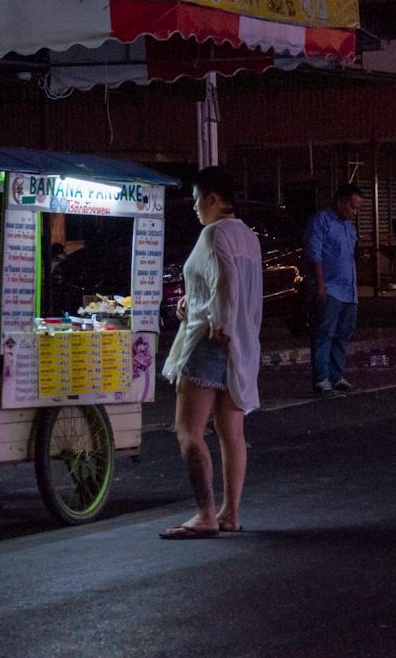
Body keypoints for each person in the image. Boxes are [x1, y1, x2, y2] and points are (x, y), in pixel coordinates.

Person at [159, 166, 263, 539]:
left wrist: (218, 320)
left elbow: (226, 284)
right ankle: (230, 513)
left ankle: (204, 513)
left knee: (188, 430)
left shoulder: (214, 234)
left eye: (196, 199)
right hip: (242, 344)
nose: (194, 207)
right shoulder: (248, 237)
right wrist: (198, 302)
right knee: (230, 430)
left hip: (209, 341)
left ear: (213, 199)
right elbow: (228, 287)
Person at [307, 183, 363, 394]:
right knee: (324, 332)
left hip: (349, 289)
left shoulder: (349, 227)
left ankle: (336, 375)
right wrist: (320, 284)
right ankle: (321, 378)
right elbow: (315, 252)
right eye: (352, 205)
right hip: (330, 287)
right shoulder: (322, 221)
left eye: (357, 207)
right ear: (340, 201)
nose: (354, 211)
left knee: (343, 334)